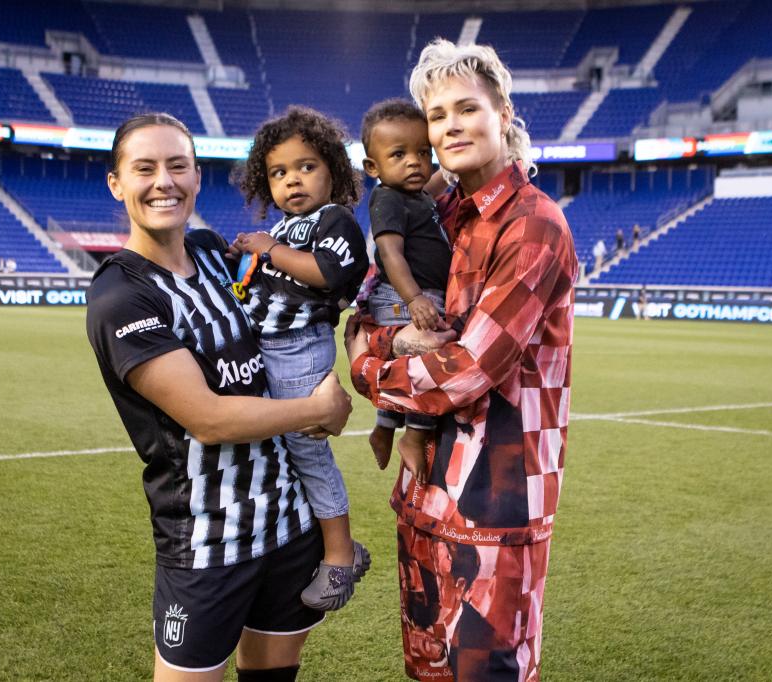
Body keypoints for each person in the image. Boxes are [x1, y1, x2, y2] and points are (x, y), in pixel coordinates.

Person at [86, 113, 353, 682]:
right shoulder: (121, 296)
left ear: (197, 176)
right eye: (145, 169)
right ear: (116, 183)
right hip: (208, 543)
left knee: (274, 672)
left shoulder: (213, 252)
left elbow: (304, 300)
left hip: (288, 524)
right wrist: (319, 409)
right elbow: (207, 419)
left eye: (177, 166)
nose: (164, 182)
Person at [346, 39, 578, 681]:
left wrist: (369, 367)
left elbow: (468, 369)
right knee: (426, 672)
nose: (451, 125)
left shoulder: (534, 225)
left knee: (486, 675)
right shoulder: (437, 213)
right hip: (425, 495)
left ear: (502, 112)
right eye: (437, 115)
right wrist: (382, 340)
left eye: (467, 108)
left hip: (494, 509)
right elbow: (365, 314)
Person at [232, 105, 371, 612]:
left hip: (299, 349)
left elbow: (327, 273)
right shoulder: (284, 228)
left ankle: (341, 555)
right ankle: (297, 540)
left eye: (306, 167)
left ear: (333, 169)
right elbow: (258, 283)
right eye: (278, 172)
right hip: (262, 349)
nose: (292, 180)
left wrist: (268, 250)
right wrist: (243, 261)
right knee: (277, 449)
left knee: (308, 450)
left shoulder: (335, 220)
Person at [358, 98, 451, 474]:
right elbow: (391, 253)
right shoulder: (388, 198)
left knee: (405, 364)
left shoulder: (417, 194)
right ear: (373, 167)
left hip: (418, 295)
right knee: (427, 362)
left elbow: (439, 179)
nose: (414, 161)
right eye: (399, 154)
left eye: (423, 152)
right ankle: (414, 435)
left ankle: (383, 428)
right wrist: (414, 299)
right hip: (404, 296)